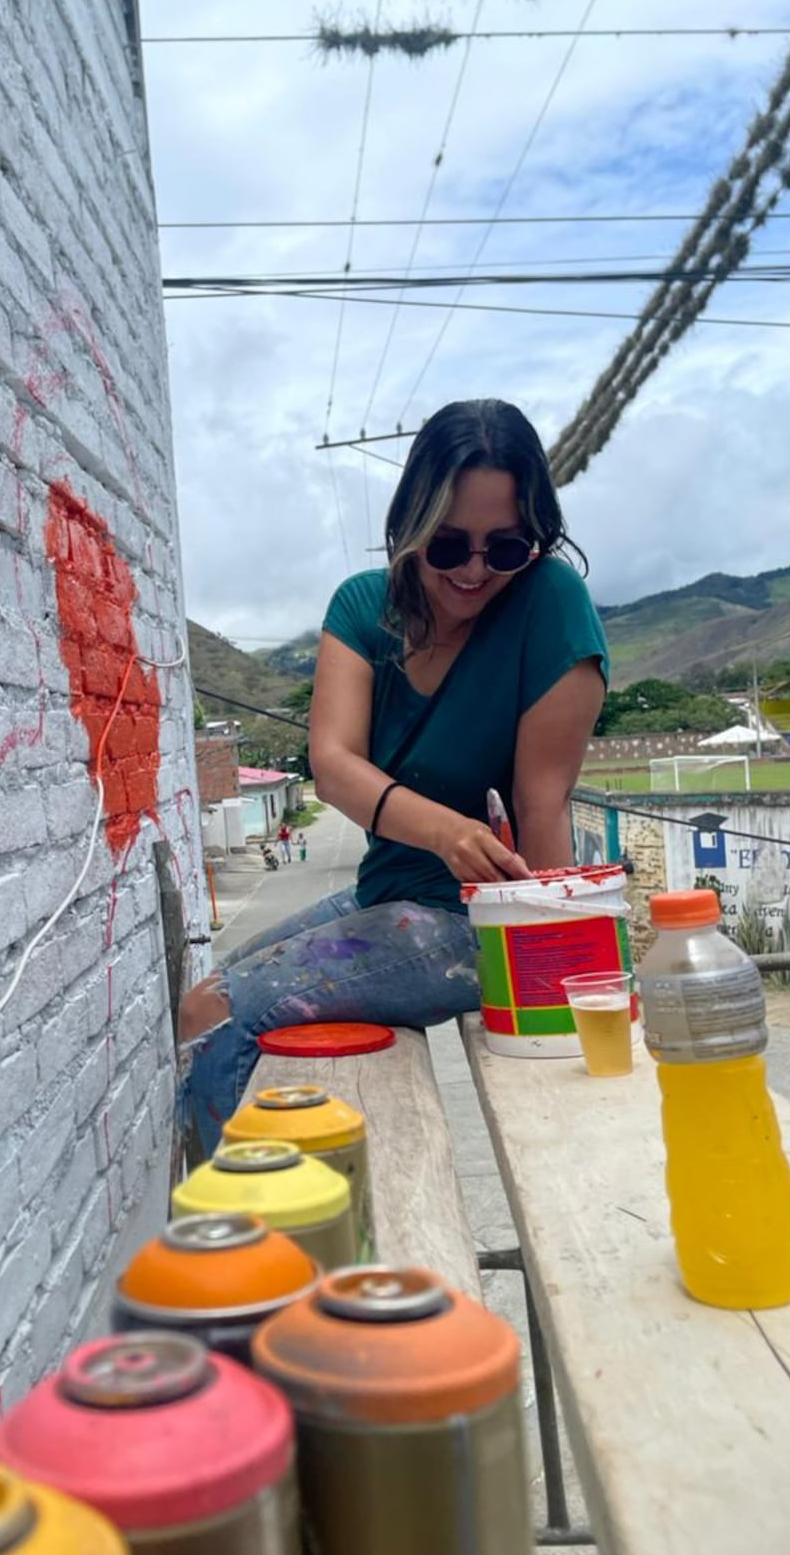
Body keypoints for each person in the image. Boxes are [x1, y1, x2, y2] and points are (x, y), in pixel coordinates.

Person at [177, 399, 608, 1153]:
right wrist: (444, 829)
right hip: (391, 894)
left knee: (219, 1012)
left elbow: (544, 809)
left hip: (476, 924)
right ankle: (238, 1204)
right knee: (203, 998)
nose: (475, 571)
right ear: (411, 524)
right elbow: (334, 764)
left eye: (504, 548)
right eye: (449, 546)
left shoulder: (552, 604)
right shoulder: (362, 606)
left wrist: (548, 993)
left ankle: (236, 1245)